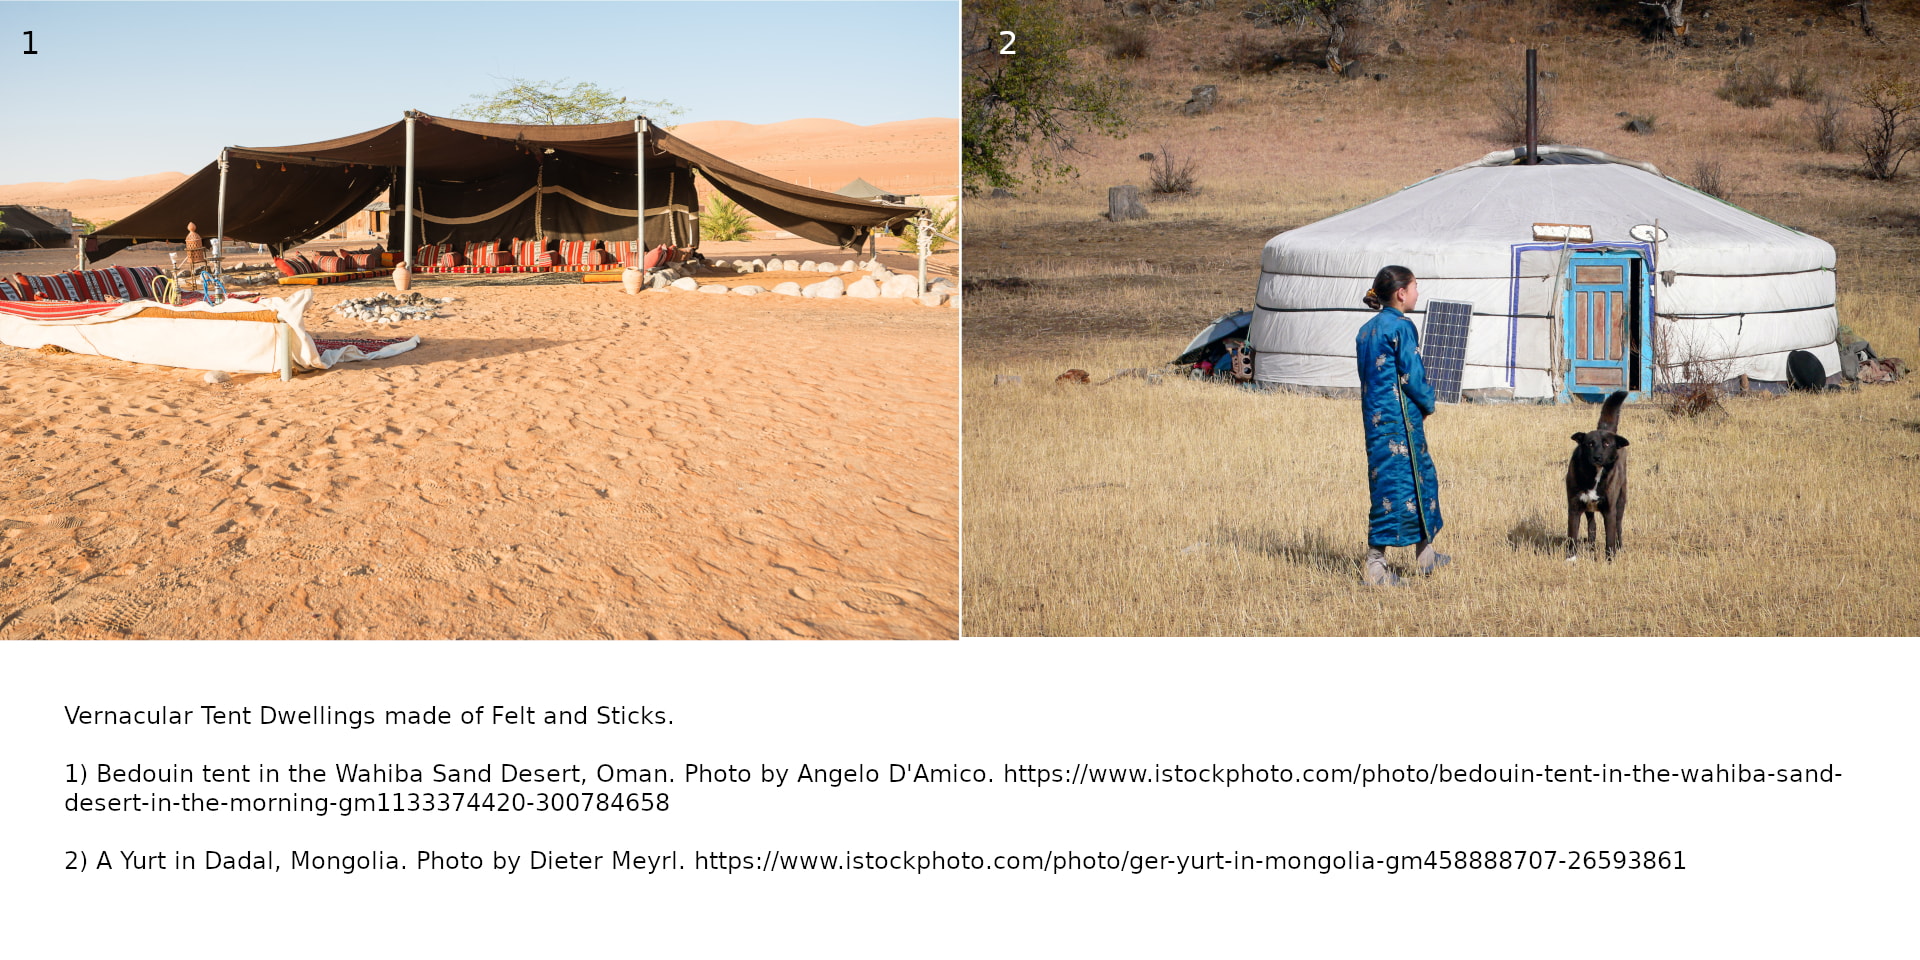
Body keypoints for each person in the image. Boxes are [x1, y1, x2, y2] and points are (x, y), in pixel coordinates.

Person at [1355, 265, 1448, 586]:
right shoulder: (1401, 326)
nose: (1418, 293)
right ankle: (1375, 568)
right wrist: (1429, 403)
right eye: (1415, 287)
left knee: (1410, 481)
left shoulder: (1366, 330)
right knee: (1397, 488)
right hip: (1401, 421)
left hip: (1376, 419)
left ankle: (1426, 555)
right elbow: (1412, 374)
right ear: (1401, 293)